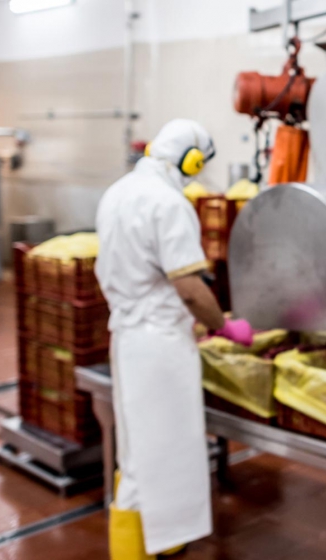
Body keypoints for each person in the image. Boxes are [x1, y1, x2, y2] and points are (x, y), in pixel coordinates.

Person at [95, 119, 254, 560]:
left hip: (126, 336)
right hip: (159, 346)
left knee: (136, 452)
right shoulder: (168, 202)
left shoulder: (119, 191)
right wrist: (222, 324)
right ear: (193, 159)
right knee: (162, 450)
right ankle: (146, 547)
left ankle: (151, 541)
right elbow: (187, 284)